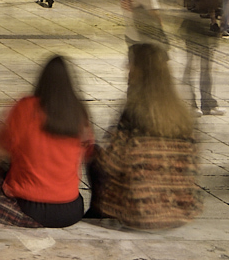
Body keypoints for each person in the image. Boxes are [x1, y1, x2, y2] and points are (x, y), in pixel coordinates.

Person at [86, 43, 201, 229]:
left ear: (139, 70)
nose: (126, 68)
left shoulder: (134, 112)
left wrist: (99, 150)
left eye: (130, 63)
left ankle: (98, 213)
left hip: (140, 212)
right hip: (181, 211)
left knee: (93, 157)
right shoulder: (183, 114)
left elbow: (112, 163)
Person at [0, 56, 93, 228]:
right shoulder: (78, 112)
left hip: (29, 208)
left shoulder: (26, 107)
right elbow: (88, 150)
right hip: (70, 209)